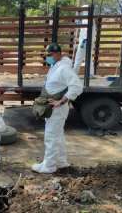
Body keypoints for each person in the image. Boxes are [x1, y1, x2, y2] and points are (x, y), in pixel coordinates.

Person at [32, 43, 83, 174]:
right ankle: (61, 162)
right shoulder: (55, 65)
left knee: (51, 136)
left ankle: (49, 166)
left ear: (58, 53)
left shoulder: (64, 69)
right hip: (52, 108)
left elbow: (76, 86)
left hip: (57, 109)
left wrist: (61, 101)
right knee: (58, 136)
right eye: (47, 55)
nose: (48, 57)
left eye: (50, 55)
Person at [73, 5, 97, 76]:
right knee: (88, 58)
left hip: (84, 42)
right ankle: (91, 74)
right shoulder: (90, 18)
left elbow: (86, 30)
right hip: (88, 41)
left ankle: (74, 73)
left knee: (78, 58)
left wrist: (84, 41)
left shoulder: (86, 19)